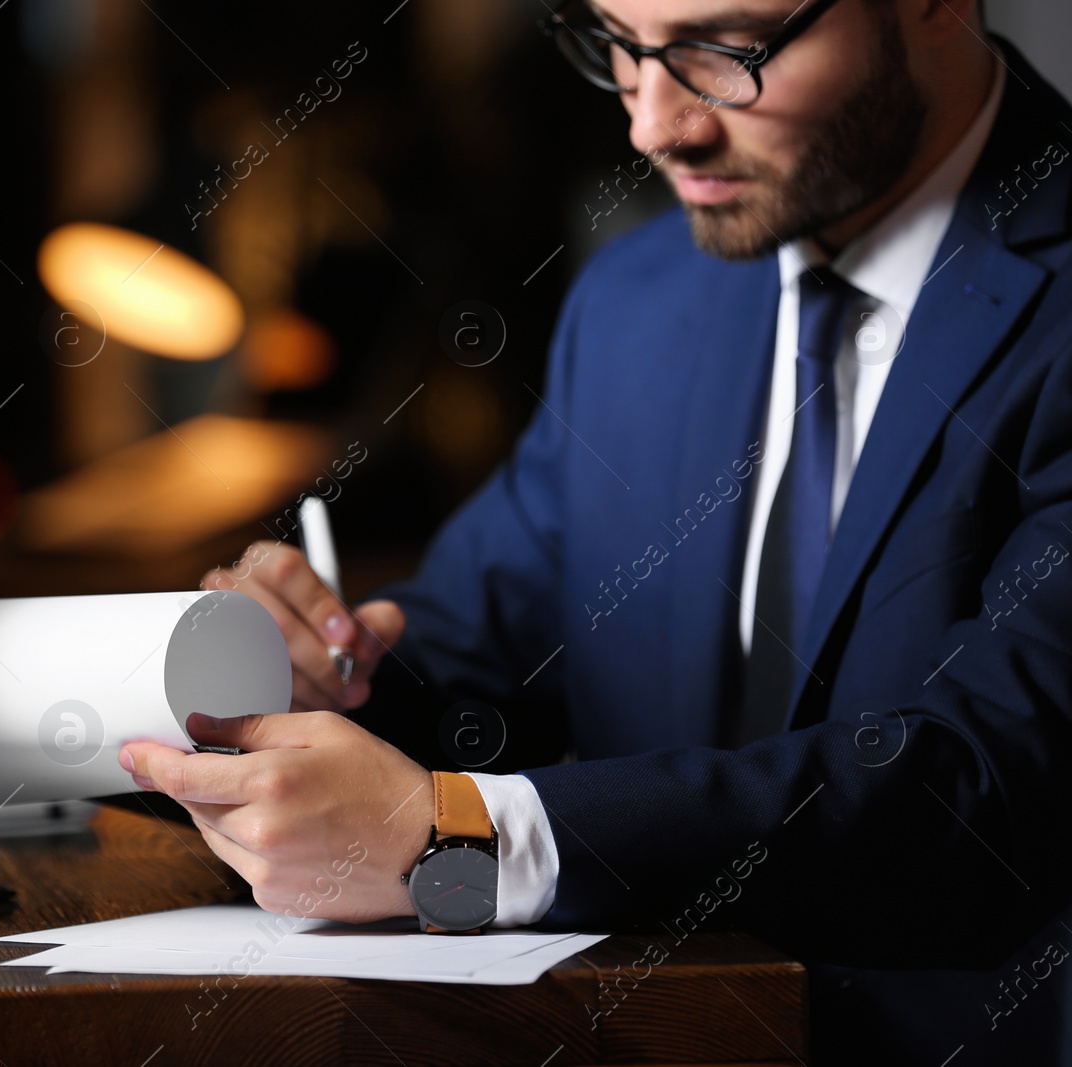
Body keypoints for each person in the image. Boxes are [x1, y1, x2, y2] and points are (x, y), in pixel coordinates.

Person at [119, 0, 1072, 1059]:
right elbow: (472, 661)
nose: (654, 126)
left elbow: (995, 792)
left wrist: (465, 838)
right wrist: (294, 675)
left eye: (724, 50)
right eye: (617, 45)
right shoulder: (637, 294)